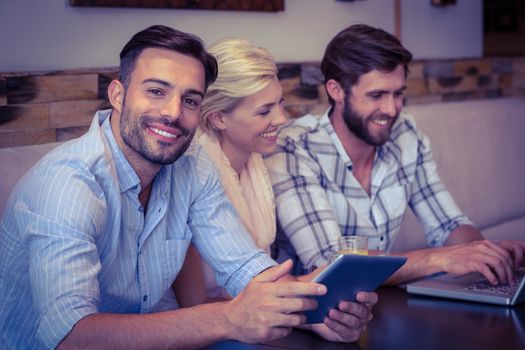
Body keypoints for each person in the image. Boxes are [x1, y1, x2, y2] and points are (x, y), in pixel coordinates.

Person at [0, 25, 376, 349]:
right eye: (156, 91)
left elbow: (247, 268)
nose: (173, 113)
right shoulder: (69, 184)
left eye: (190, 99)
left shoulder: (191, 163)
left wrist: (319, 315)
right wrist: (229, 318)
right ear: (118, 95)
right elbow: (70, 337)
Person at [264, 24, 525, 285]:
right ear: (336, 90)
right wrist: (438, 258)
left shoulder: (405, 133)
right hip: (314, 315)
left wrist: (484, 254)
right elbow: (331, 264)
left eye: (398, 93)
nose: (391, 109)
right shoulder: (294, 147)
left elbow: (448, 223)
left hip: (381, 300)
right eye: (376, 95)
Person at [172, 37, 375, 342]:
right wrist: (301, 311)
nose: (281, 119)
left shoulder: (257, 167)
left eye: (279, 103)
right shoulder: (188, 179)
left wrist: (324, 314)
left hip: (253, 327)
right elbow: (193, 307)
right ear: (218, 118)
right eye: (264, 111)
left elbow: (261, 287)